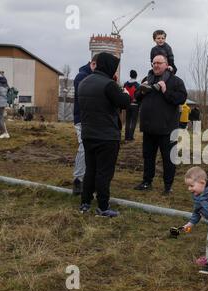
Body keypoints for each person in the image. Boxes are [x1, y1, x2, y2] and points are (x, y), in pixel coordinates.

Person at [78, 52, 131, 217]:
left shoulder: (84, 82)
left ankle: (85, 203)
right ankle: (102, 206)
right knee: (104, 173)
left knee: (90, 170)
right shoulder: (109, 85)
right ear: (109, 67)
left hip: (87, 133)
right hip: (106, 136)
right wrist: (126, 93)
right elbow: (124, 102)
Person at [134, 54, 187, 194]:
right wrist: (141, 90)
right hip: (148, 128)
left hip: (167, 129)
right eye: (154, 63)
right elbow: (137, 98)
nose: (156, 65)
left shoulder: (176, 81)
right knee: (148, 157)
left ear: (166, 64)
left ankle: (168, 186)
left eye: (159, 63)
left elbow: (181, 99)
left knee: (168, 160)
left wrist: (165, 91)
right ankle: (147, 182)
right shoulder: (147, 79)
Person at [72, 55, 98, 196]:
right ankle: (78, 179)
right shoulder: (81, 76)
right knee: (83, 146)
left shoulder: (90, 75)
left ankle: (88, 179)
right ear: (93, 64)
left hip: (92, 119)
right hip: (82, 118)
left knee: (90, 147)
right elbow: (86, 97)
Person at [123, 70, 140, 142]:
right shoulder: (137, 85)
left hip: (127, 104)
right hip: (135, 105)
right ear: (136, 76)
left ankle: (126, 137)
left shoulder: (125, 84)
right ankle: (130, 137)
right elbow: (139, 96)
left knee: (127, 120)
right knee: (133, 121)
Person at [0, 70, 10, 139]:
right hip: (3, 102)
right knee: (1, 117)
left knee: (0, 118)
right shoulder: (5, 84)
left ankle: (4, 133)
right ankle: (3, 132)